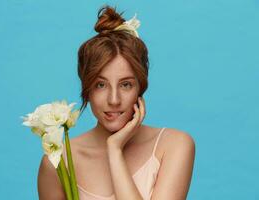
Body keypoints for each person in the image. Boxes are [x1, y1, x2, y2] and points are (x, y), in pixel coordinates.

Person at [37, 5, 195, 200]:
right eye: (101, 85)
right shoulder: (58, 164)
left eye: (126, 85)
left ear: (141, 87)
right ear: (86, 88)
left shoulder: (173, 146)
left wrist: (114, 150)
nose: (114, 100)